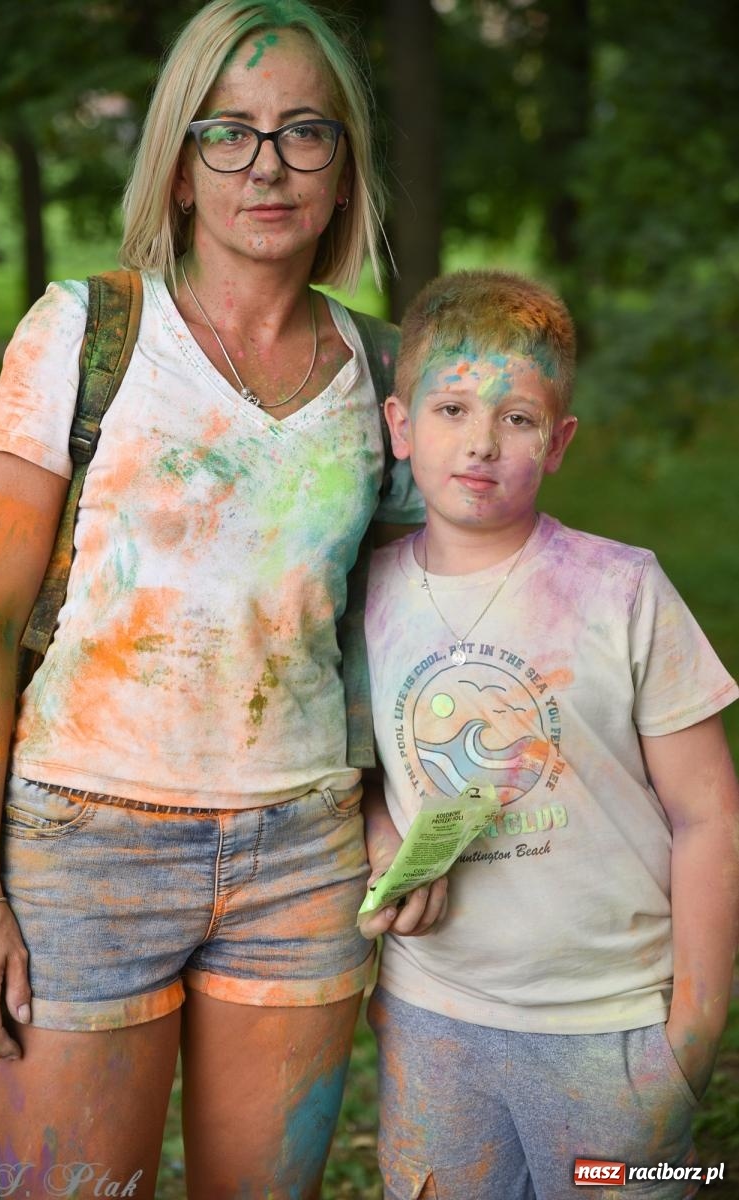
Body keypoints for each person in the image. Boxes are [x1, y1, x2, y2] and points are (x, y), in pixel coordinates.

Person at [0, 3, 423, 1196]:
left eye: (306, 132)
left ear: (346, 164)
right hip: (82, 852)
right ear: (181, 158)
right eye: (230, 132)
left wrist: (391, 807)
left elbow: (389, 627)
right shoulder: (86, 333)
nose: (268, 164)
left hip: (301, 860)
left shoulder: (386, 371)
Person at [359, 268, 739, 1199]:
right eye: (450, 409)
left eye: (517, 418)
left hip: (611, 1028)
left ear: (558, 441)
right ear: (399, 426)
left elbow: (709, 817)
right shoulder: (360, 596)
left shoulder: (623, 590)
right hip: (431, 1020)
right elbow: (364, 772)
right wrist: (382, 837)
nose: (480, 442)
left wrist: (690, 1032)